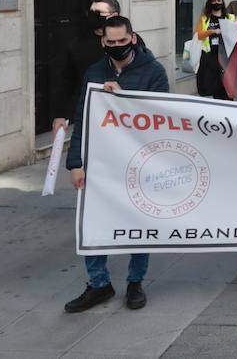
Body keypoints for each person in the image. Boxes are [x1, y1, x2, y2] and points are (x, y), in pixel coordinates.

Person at [64, 16, 168, 312]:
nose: (117, 47)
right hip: (100, 163)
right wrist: (76, 163)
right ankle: (99, 284)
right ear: (103, 42)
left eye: (122, 41)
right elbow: (83, 118)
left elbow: (163, 117)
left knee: (138, 223)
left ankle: (135, 282)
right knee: (93, 223)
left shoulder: (153, 71)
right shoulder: (94, 72)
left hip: (139, 163)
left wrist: (124, 100)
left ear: (132, 38)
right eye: (111, 43)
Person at [51, 0, 122, 135]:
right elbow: (66, 79)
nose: (92, 17)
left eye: (98, 13)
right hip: (87, 113)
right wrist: (60, 114)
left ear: (114, 16)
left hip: (120, 115)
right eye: (91, 12)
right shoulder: (77, 43)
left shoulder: (130, 41)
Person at [194, 0, 228, 99]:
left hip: (225, 56)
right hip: (210, 56)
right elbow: (198, 34)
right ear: (210, 3)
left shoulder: (229, 17)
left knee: (226, 86)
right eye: (214, 1)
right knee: (215, 85)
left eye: (219, 1)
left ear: (222, 2)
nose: (216, 3)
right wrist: (212, 31)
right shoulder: (205, 18)